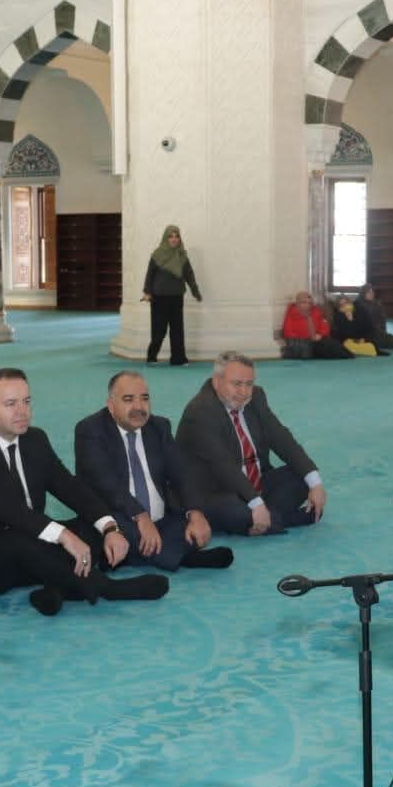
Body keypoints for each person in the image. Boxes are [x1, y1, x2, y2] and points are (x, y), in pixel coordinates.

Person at [0, 368, 169, 616]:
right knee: (30, 539)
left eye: (26, 401)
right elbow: (12, 512)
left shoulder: (34, 439)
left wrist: (109, 527)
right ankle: (106, 588)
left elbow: (70, 487)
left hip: (26, 541)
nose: (22, 411)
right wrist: (65, 537)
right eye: (10, 404)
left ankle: (57, 589)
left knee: (88, 527)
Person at [72, 370, 234, 573]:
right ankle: (184, 557)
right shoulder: (90, 430)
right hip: (116, 512)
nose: (139, 407)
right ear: (111, 406)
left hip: (162, 517)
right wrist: (141, 516)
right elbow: (107, 484)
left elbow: (181, 474)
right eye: (128, 399)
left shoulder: (159, 426)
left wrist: (196, 513)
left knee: (192, 525)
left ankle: (135, 555)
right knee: (127, 532)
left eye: (145, 398)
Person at [175, 351, 325, 536]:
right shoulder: (200, 411)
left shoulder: (257, 398)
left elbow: (281, 438)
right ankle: (282, 519)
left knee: (301, 478)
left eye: (249, 384)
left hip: (254, 482)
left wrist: (315, 482)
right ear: (217, 381)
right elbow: (223, 465)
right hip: (215, 491)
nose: (244, 392)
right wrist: (256, 503)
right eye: (236, 384)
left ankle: (263, 520)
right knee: (235, 512)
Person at [141, 223, 202, 365]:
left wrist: (195, 291)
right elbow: (150, 275)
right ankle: (151, 356)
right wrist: (147, 292)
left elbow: (189, 275)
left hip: (176, 297)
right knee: (159, 330)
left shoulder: (182, 256)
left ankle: (178, 359)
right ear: (166, 238)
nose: (174, 239)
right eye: (171, 236)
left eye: (177, 236)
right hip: (159, 298)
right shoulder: (157, 255)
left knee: (177, 330)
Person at [280, 290, 352, 359]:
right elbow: (287, 332)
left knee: (333, 344)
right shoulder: (291, 312)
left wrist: (320, 335)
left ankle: (348, 355)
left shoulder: (316, 311)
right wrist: (307, 338)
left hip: (318, 340)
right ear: (297, 303)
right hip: (303, 342)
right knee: (325, 347)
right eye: (304, 302)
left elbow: (325, 327)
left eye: (309, 303)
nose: (307, 305)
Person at [354, 284, 393, 350]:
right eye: (369, 292)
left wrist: (381, 330)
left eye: (372, 292)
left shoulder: (377, 304)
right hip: (364, 332)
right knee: (381, 339)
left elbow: (382, 320)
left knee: (384, 338)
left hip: (377, 331)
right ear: (363, 293)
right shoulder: (357, 304)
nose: (371, 294)